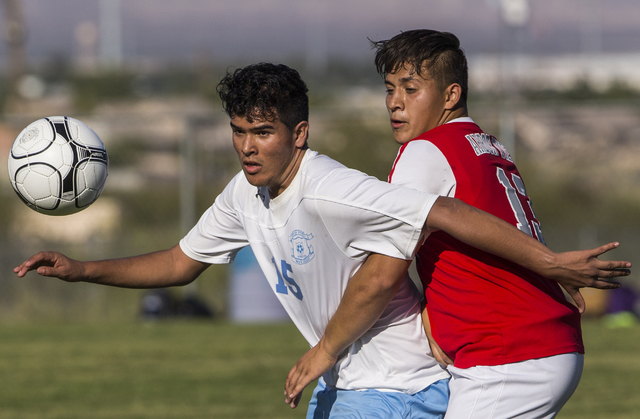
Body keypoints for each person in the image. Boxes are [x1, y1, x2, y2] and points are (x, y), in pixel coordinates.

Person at [15, 63, 629, 419]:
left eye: (263, 132)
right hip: (349, 389)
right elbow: (180, 262)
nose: (248, 146)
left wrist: (548, 262)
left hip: (399, 386)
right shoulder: (241, 194)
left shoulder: (334, 188)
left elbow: (439, 212)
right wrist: (80, 268)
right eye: (239, 132)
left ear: (298, 133)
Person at [284, 32, 632, 418]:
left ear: (450, 96)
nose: (395, 102)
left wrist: (326, 350)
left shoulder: (423, 151)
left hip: (508, 356)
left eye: (411, 88)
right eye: (389, 89)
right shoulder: (485, 143)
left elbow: (384, 272)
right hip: (541, 343)